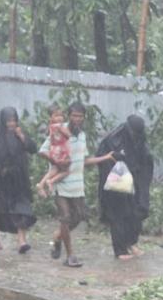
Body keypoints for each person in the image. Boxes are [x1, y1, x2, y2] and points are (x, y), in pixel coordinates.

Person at [40, 102, 113, 268]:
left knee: (78, 217)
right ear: (69, 115)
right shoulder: (59, 130)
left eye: (80, 116)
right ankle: (70, 255)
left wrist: (105, 158)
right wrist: (56, 161)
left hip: (77, 185)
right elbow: (42, 150)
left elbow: (84, 160)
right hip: (60, 182)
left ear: (84, 118)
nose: (77, 119)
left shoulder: (82, 136)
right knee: (65, 218)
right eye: (74, 115)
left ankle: (58, 237)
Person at [0, 107, 37, 254]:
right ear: (3, 121)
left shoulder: (19, 134)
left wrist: (22, 137)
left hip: (19, 180)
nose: (12, 124)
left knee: (23, 210)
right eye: (9, 121)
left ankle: (22, 241)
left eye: (14, 120)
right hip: (0, 180)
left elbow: (33, 149)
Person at [96, 115, 155, 260]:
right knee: (118, 215)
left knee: (139, 210)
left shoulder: (140, 138)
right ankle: (120, 250)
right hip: (117, 182)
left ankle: (131, 242)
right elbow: (102, 160)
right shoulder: (112, 140)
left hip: (135, 179)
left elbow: (145, 159)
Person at [35, 107, 73, 198]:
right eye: (56, 116)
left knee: (55, 169)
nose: (60, 118)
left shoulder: (51, 126)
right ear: (51, 118)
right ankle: (49, 182)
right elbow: (68, 135)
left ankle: (42, 184)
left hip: (55, 151)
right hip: (60, 152)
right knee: (66, 171)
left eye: (61, 115)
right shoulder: (59, 126)